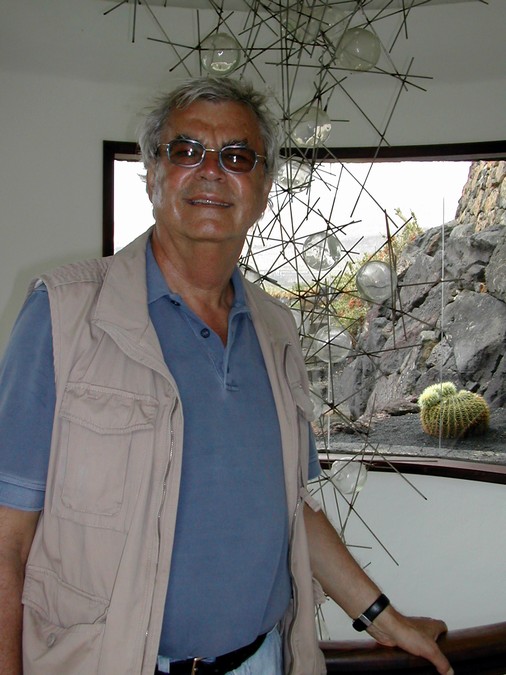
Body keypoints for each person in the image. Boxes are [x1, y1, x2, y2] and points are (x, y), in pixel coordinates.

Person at [0, 76, 453, 675]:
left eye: (237, 157)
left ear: (262, 190)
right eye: (186, 151)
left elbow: (290, 507)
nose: (211, 171)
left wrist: (384, 618)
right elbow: (7, 539)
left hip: (262, 661)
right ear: (152, 175)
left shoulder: (276, 329)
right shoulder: (62, 315)